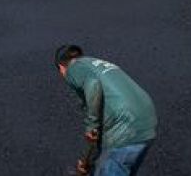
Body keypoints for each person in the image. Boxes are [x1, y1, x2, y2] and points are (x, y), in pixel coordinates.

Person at [55, 45, 157, 176]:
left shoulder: (73, 68)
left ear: (61, 68)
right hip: (146, 123)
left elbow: (93, 84)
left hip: (126, 128)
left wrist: (92, 125)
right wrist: (89, 159)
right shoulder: (93, 63)